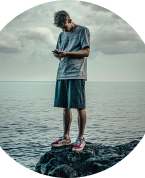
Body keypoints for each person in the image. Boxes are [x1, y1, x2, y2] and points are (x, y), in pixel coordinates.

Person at [51, 10, 90, 152]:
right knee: (65, 106)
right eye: (60, 27)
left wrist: (67, 53)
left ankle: (81, 138)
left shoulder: (83, 31)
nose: (62, 30)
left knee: (79, 106)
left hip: (77, 73)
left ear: (70, 20)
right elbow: (62, 53)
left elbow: (86, 52)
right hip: (62, 73)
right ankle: (66, 138)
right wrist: (58, 54)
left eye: (64, 26)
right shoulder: (61, 34)